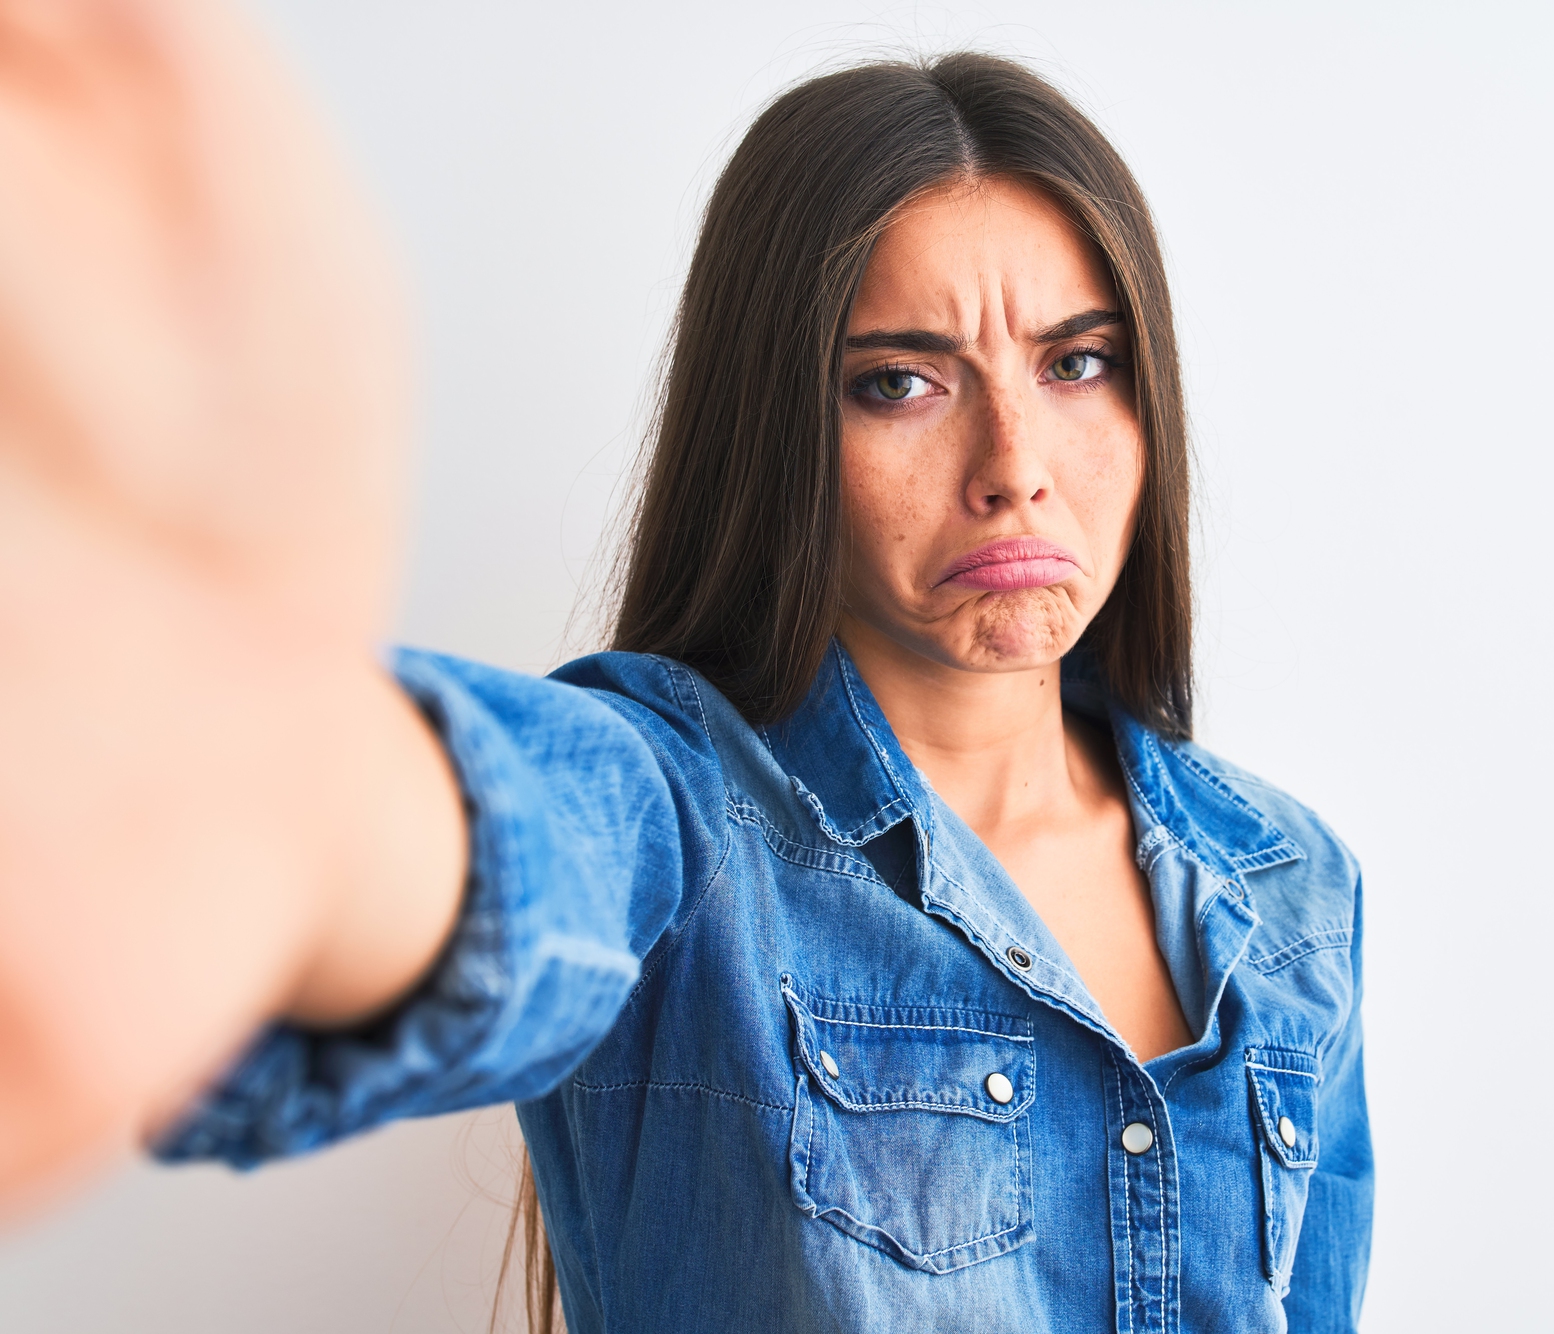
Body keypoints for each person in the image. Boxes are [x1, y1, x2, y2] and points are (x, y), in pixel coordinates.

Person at [0, 4, 1370, 1330]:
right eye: (901, 381)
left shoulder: (1289, 884)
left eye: (1077, 363)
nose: (1016, 465)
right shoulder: (682, 814)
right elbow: (495, 844)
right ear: (779, 425)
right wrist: (228, 739)